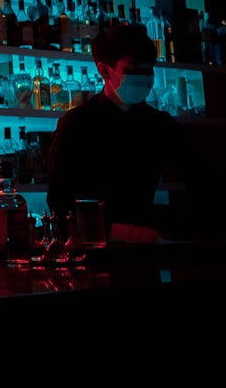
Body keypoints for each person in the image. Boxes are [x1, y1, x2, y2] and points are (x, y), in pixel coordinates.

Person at [47, 22, 211, 242]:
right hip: (91, 255)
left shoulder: (159, 125)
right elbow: (60, 204)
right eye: (133, 70)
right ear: (105, 70)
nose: (144, 78)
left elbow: (202, 179)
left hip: (142, 258)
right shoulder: (77, 124)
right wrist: (125, 232)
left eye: (148, 70)